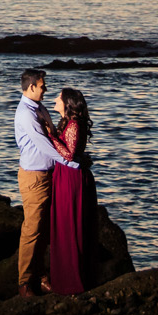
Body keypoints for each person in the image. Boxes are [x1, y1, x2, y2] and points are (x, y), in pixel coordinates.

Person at [13, 68, 78, 297]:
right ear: (31, 87)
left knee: (45, 228)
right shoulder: (26, 113)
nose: (46, 89)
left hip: (49, 174)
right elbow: (43, 144)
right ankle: (24, 284)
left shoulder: (39, 108)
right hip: (34, 177)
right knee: (32, 229)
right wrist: (71, 164)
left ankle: (40, 276)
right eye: (42, 85)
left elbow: (53, 136)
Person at [43, 86, 96, 295]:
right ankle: (66, 278)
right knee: (66, 223)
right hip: (66, 176)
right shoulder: (69, 123)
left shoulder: (73, 124)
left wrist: (51, 136)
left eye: (59, 97)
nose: (55, 99)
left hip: (70, 178)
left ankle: (70, 281)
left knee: (69, 223)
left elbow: (69, 154)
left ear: (67, 103)